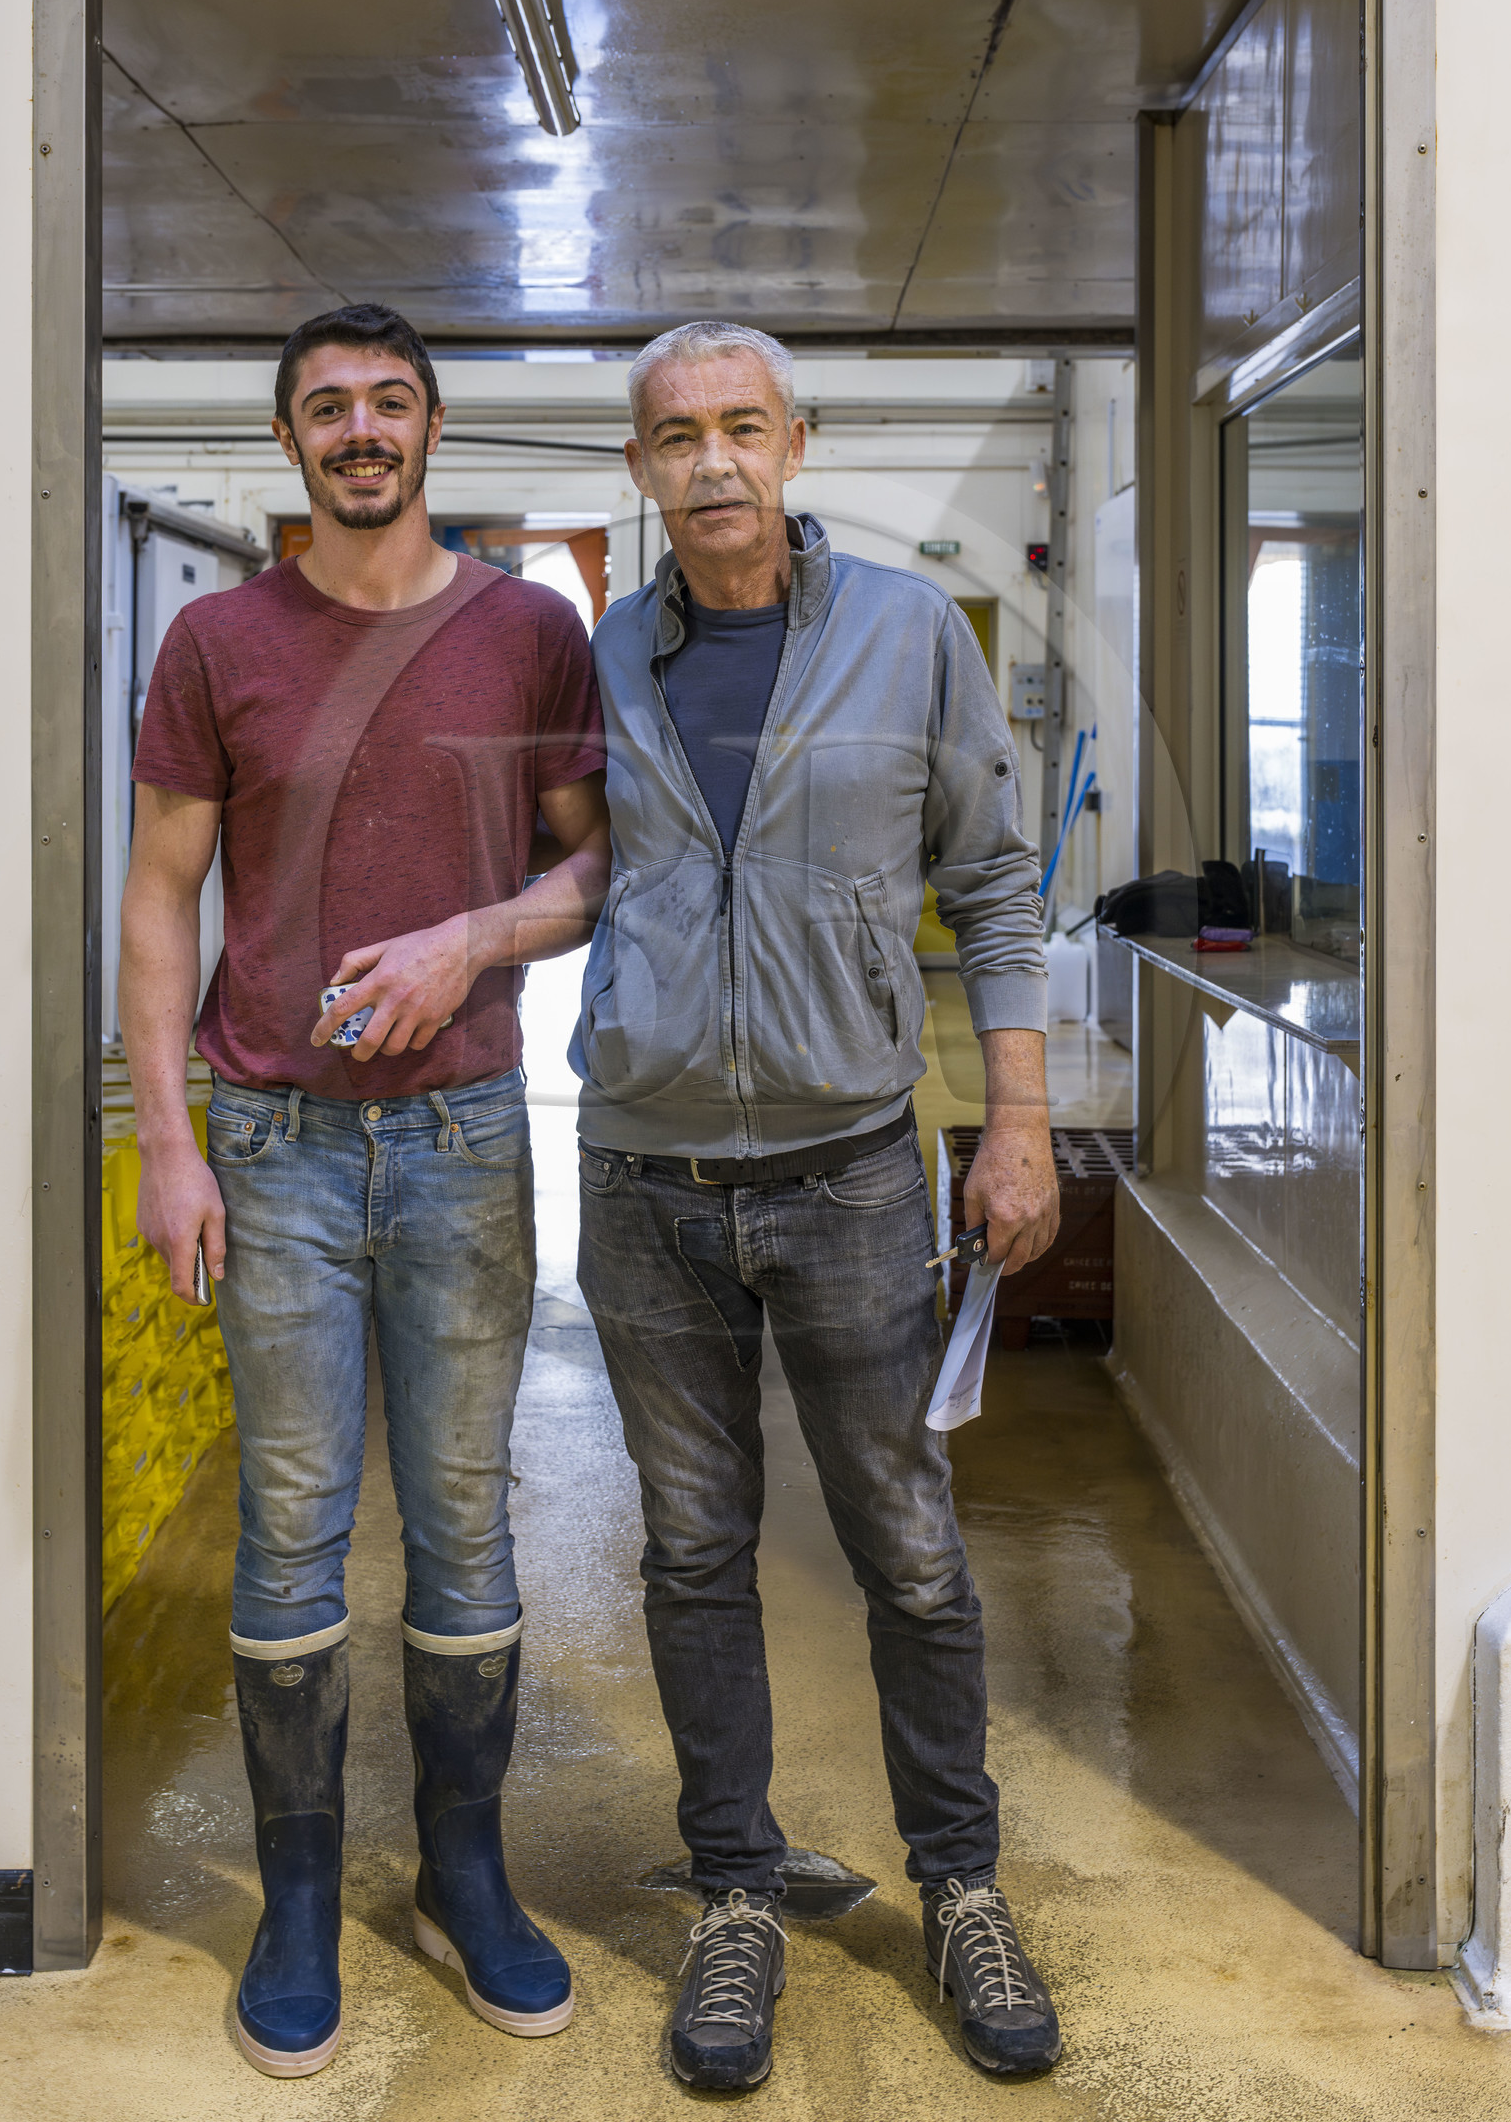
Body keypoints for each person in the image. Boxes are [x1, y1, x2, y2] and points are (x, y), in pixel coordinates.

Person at [570, 320, 1063, 2089]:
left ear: (796, 444)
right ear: (639, 467)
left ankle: (961, 1883)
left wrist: (1018, 1116)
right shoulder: (611, 653)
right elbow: (583, 868)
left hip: (857, 1168)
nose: (710, 461)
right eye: (675, 434)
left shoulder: (911, 635)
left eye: (741, 427)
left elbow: (994, 882)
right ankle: (733, 1896)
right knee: (695, 1558)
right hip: (641, 1176)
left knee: (912, 1554)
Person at [119, 303, 609, 2078]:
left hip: (471, 1135)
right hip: (276, 1146)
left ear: (431, 425)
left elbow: (593, 869)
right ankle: (303, 1897)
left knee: (467, 1520)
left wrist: (465, 942)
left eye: (388, 401)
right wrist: (169, 1139)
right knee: (295, 1522)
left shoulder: (531, 633)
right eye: (326, 406)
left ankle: (462, 1879)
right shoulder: (216, 642)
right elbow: (162, 894)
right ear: (290, 443)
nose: (359, 429)